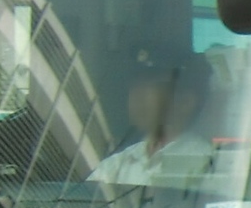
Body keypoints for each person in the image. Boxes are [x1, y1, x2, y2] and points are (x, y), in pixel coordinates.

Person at [91, 51, 218, 191]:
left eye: (152, 85)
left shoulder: (206, 163)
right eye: (136, 84)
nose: (138, 93)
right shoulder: (118, 163)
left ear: (185, 101)